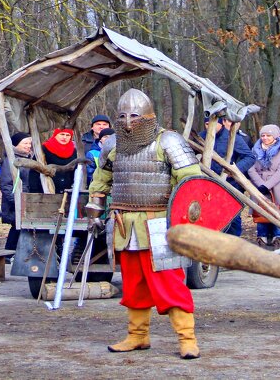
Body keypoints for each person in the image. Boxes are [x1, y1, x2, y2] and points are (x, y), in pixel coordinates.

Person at [87, 88, 204, 360]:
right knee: (134, 284)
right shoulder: (111, 144)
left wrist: (187, 222)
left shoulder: (169, 142)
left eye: (135, 116)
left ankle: (187, 339)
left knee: (169, 283)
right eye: (123, 116)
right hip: (124, 224)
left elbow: (191, 183)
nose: (129, 121)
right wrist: (94, 211)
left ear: (149, 116)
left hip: (160, 224)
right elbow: (100, 182)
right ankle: (137, 336)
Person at [247, 124, 280, 248]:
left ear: (276, 137)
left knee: (278, 210)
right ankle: (262, 237)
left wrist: (268, 185)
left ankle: (278, 236)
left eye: (268, 135)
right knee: (260, 210)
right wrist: (261, 184)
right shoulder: (255, 150)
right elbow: (251, 169)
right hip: (258, 184)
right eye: (263, 135)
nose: (265, 138)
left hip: (276, 185)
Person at [0, 132, 34, 251]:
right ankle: (9, 253)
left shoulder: (31, 158)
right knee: (16, 227)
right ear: (16, 144)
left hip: (29, 199)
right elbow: (5, 184)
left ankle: (19, 251)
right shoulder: (10, 160)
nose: (28, 145)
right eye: (25, 143)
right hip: (16, 201)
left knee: (23, 228)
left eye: (29, 143)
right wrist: (16, 201)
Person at [40, 128, 80, 193]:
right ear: (56, 135)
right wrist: (34, 190)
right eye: (62, 134)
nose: (64, 137)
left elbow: (75, 170)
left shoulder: (73, 150)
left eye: (68, 135)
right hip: (46, 189)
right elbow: (35, 170)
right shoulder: (45, 148)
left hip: (66, 190)